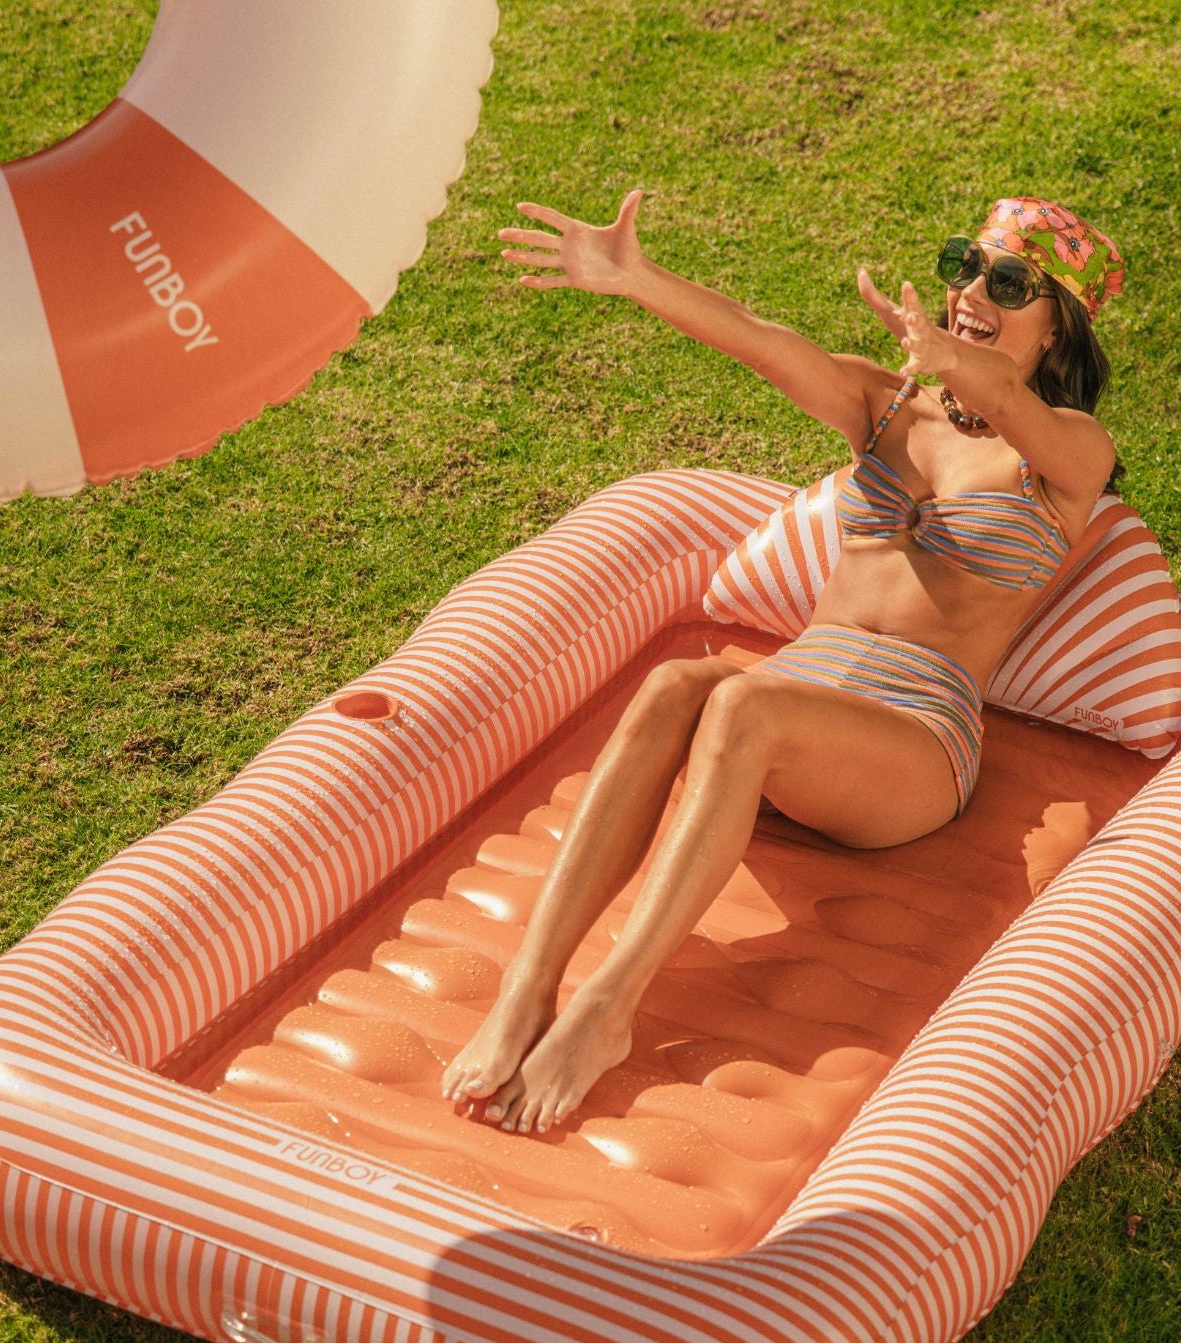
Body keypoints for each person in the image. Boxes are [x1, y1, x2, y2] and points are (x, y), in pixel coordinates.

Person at [438, 190, 1127, 1135]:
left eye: (1008, 281)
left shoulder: (1067, 455)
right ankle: (529, 986)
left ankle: (607, 1008)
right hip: (804, 690)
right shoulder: (885, 408)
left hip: (914, 743)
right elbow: (761, 339)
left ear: (1058, 328)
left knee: (743, 708)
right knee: (681, 683)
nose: (973, 287)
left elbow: (1008, 401)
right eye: (965, 264)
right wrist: (634, 279)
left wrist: (960, 367)